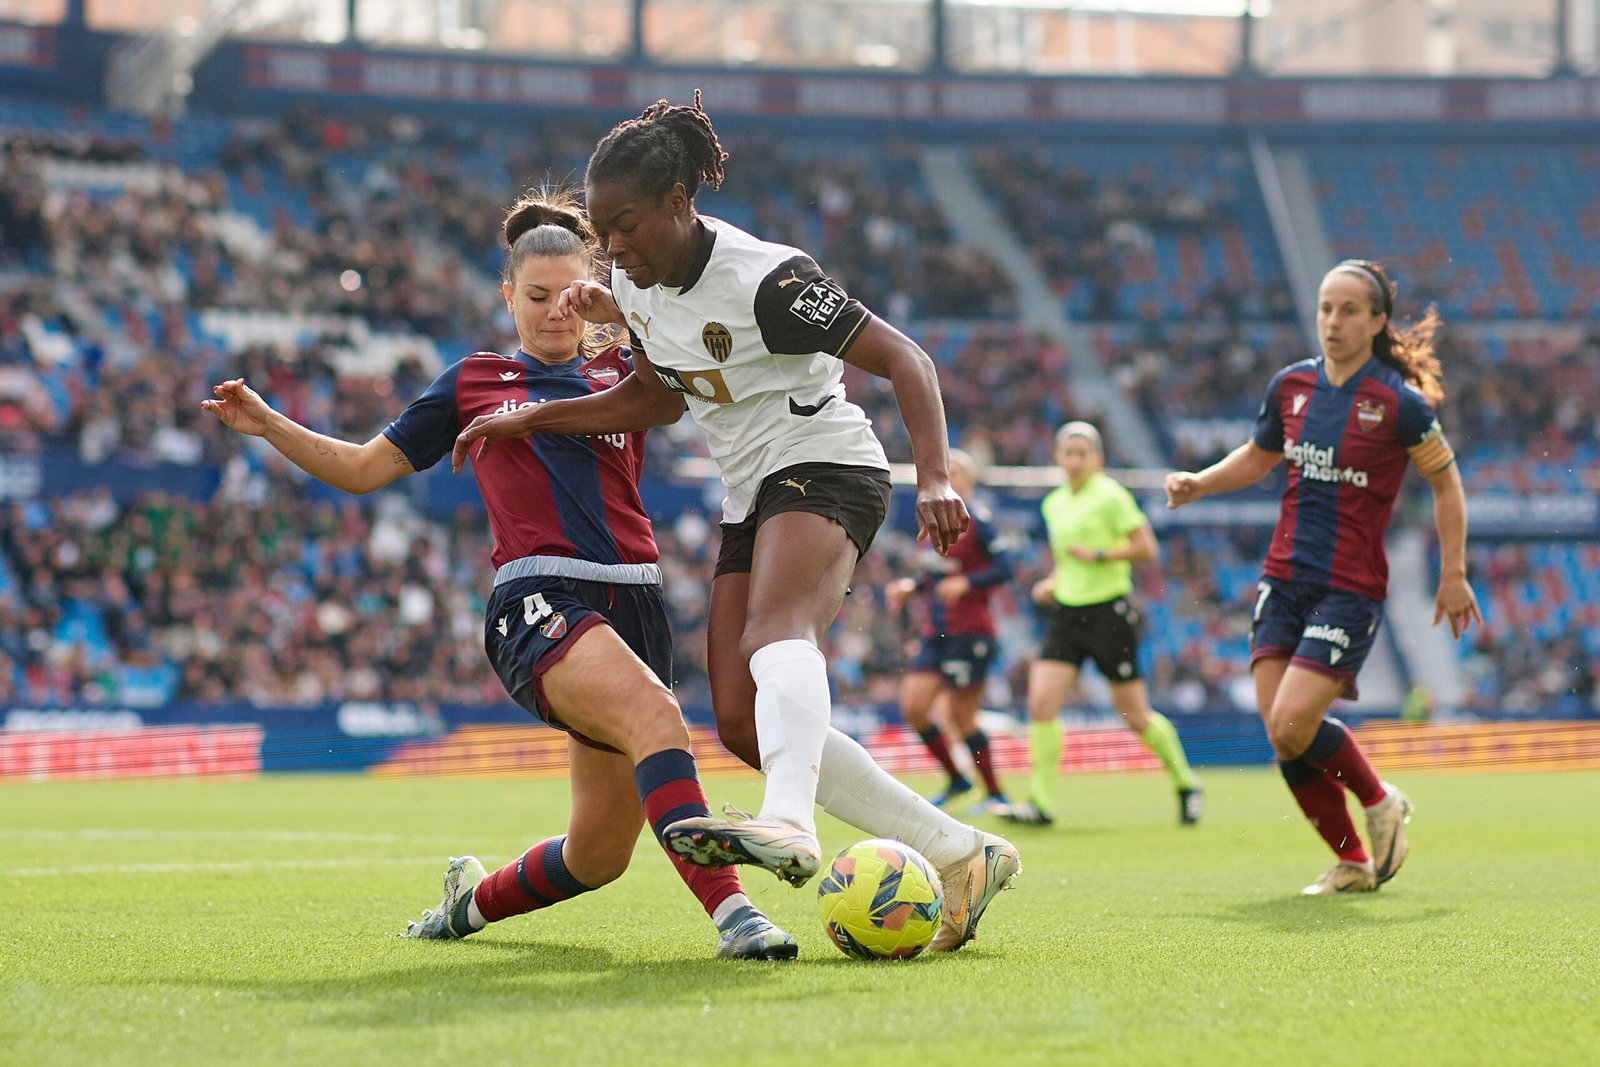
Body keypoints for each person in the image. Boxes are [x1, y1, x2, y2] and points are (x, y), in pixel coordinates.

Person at [452, 95, 1020, 952]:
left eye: (628, 226)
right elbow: (655, 398)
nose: (613, 250)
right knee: (742, 721)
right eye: (603, 232)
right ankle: (959, 849)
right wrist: (530, 419)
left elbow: (907, 358)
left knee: (775, 632)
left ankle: (789, 820)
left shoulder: (770, 280)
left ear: (680, 202)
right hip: (751, 492)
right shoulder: (636, 290)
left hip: (828, 460)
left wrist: (934, 473)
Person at [202, 191, 798, 959]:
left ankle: (465, 907)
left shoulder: (628, 366)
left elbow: (692, 367)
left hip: (638, 601)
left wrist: (623, 312)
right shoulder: (473, 380)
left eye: (573, 296)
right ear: (506, 294)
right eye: (538, 296)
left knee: (598, 854)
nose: (557, 313)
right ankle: (737, 919)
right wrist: (269, 424)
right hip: (540, 601)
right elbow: (358, 468)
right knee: (657, 716)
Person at [1165, 260, 1481, 894]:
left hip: (1350, 586)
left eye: (1349, 311)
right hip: (1283, 579)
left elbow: (1446, 485)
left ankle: (1378, 800)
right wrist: (1202, 482)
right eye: (1325, 309)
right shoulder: (1291, 386)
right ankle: (1354, 862)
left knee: (1289, 725)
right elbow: (1258, 457)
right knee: (1284, 738)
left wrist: (1455, 574)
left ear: (1377, 321)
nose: (1333, 322)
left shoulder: (1398, 404)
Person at [1007, 421, 1202, 827]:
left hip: (1108, 614)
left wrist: (1098, 555)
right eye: (1068, 453)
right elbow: (1065, 560)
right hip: (1066, 614)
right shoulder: (1054, 503)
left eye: (1083, 453)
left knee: (1133, 714)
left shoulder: (1111, 497)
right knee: (1041, 704)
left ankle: (1186, 782)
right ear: (1057, 457)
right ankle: (1041, 804)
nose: (1075, 460)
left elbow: (1146, 549)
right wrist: (1053, 582)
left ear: (1097, 458)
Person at [884, 449, 1012, 813]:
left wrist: (967, 583)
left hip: (970, 633)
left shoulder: (981, 523)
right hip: (936, 632)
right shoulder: (932, 527)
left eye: (954, 473)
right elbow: (935, 576)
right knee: (914, 707)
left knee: (961, 716)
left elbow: (1005, 569)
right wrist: (912, 586)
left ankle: (995, 794)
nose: (947, 479)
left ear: (969, 482)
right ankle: (957, 778)